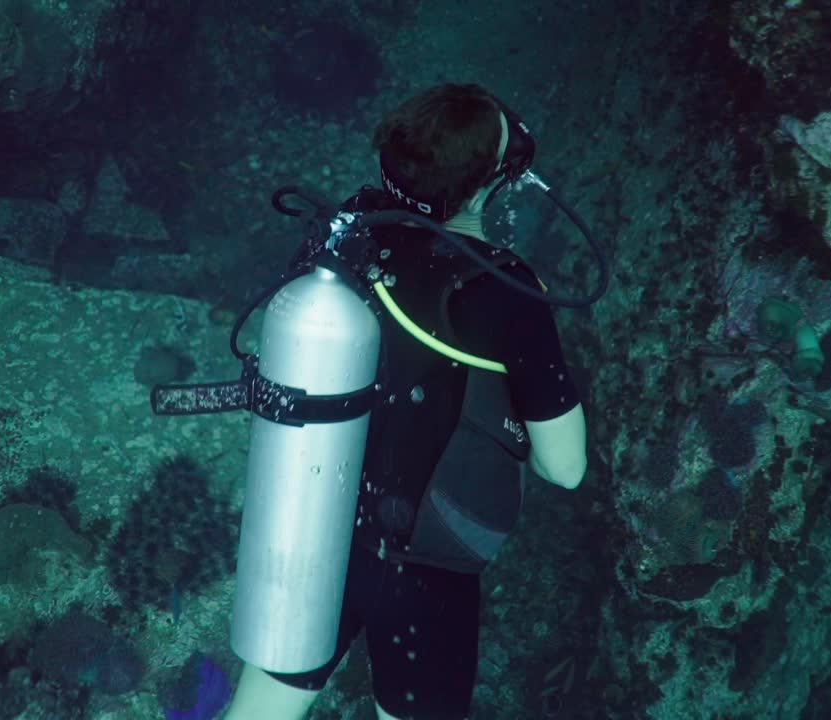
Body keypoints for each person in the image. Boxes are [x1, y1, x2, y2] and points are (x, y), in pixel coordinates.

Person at [222, 83, 588, 720]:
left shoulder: (346, 237)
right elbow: (566, 467)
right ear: (481, 188)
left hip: (315, 531)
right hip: (426, 575)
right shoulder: (507, 293)